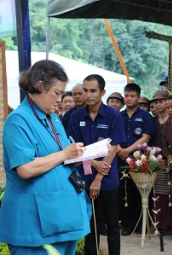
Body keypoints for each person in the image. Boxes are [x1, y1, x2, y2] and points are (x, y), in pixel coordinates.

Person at [0, 60, 91, 255]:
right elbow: (25, 168)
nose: (61, 99)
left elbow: (61, 155)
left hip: (63, 216)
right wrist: (65, 154)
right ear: (40, 87)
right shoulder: (18, 120)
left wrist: (77, 154)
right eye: (57, 93)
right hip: (36, 222)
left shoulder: (53, 118)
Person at [68, 74, 126, 255]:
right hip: (84, 177)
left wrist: (99, 178)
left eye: (93, 91)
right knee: (90, 227)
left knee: (111, 225)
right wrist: (93, 163)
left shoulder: (114, 116)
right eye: (85, 90)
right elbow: (75, 148)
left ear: (102, 92)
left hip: (108, 179)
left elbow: (114, 147)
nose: (88, 95)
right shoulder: (75, 116)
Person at [118, 83, 155, 236]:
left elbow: (146, 137)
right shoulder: (118, 116)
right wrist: (121, 151)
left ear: (138, 98)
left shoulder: (146, 116)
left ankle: (141, 225)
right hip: (120, 159)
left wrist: (127, 151)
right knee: (123, 192)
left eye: (132, 96)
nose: (129, 99)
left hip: (139, 160)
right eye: (126, 96)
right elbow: (113, 136)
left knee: (139, 192)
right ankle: (127, 225)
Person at [150, 90, 172, 233]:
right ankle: (162, 225)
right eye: (155, 102)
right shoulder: (152, 121)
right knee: (160, 192)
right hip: (157, 162)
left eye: (161, 101)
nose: (158, 105)